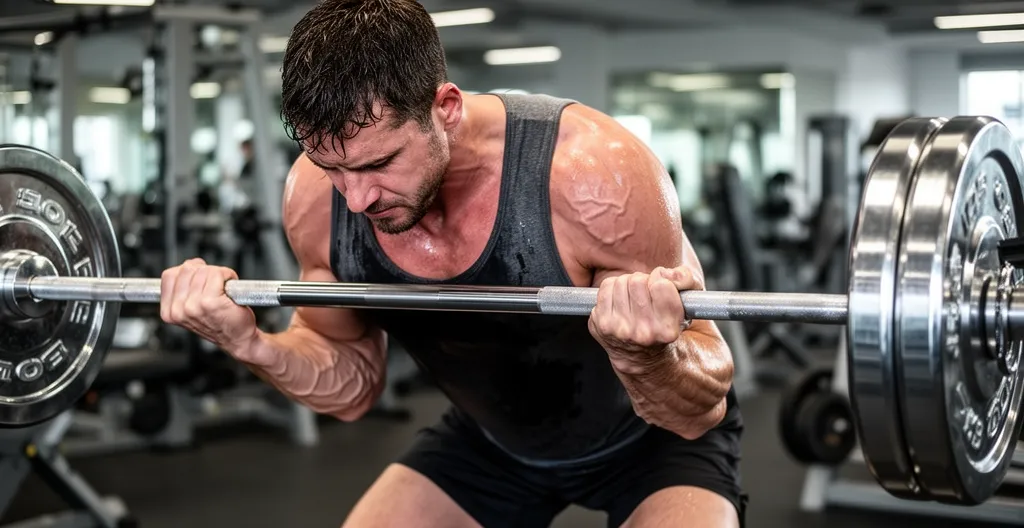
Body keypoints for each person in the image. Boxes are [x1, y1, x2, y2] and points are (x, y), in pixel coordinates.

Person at [159, 0, 744, 526]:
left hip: (651, 443)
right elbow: (350, 387)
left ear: (445, 108)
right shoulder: (314, 201)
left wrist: (644, 355)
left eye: (378, 163)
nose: (356, 199)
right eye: (331, 167)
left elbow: (698, 411)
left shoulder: (592, 177)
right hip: (492, 443)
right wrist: (247, 342)